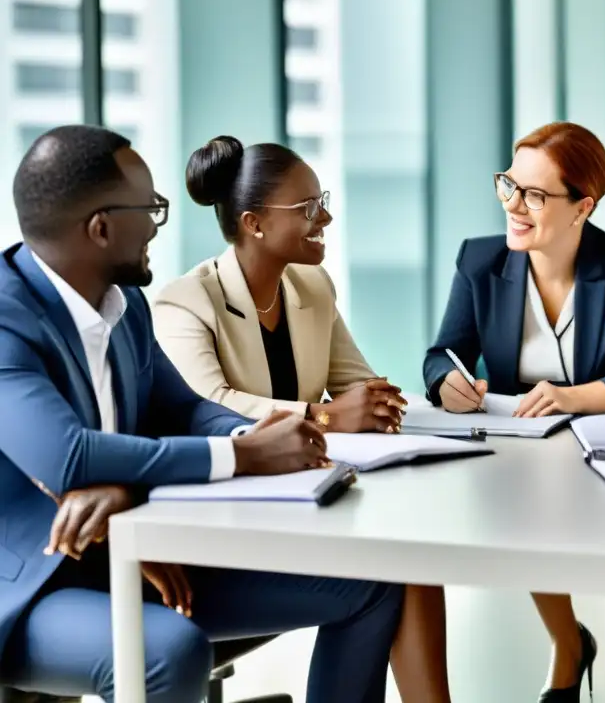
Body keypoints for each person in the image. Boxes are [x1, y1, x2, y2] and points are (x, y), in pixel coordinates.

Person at [0, 125, 403, 703]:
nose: (159, 227)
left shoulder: (124, 303)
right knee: (168, 651)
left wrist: (251, 431)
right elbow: (68, 456)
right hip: (32, 584)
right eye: (152, 209)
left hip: (135, 550)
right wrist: (242, 454)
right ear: (102, 227)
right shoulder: (6, 316)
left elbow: (184, 408)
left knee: (371, 582)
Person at [152, 135, 448, 703]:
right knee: (387, 575)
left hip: (306, 498)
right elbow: (206, 407)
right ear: (254, 223)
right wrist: (323, 417)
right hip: (224, 523)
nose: (327, 217)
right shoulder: (185, 302)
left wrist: (375, 401)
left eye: (323, 200)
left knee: (413, 554)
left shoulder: (312, 285)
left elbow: (359, 383)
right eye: (309, 207)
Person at [422, 121, 605, 702]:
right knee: (521, 502)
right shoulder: (479, 261)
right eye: (509, 185)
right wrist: (446, 384)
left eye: (535, 195)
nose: (514, 205)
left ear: (583, 206)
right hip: (526, 450)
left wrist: (574, 396)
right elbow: (442, 354)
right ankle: (566, 639)